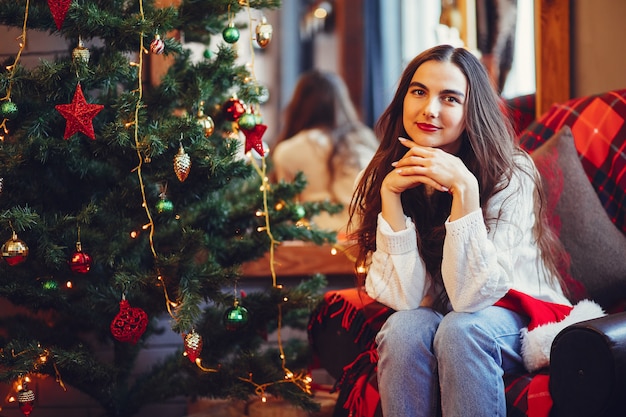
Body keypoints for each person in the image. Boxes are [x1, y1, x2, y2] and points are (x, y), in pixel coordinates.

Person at [347, 44, 572, 416]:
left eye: (449, 98)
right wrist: (390, 195)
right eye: (418, 92)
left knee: (461, 330)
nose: (429, 110)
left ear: (472, 112)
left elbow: (471, 299)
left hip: (519, 311)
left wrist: (464, 190)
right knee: (402, 328)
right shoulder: (380, 175)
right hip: (442, 312)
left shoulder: (511, 172)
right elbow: (403, 299)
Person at [271, 70, 379, 237]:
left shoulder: (287, 152)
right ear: (342, 103)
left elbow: (286, 214)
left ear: (298, 105)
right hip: (361, 240)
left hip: (312, 242)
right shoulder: (363, 141)